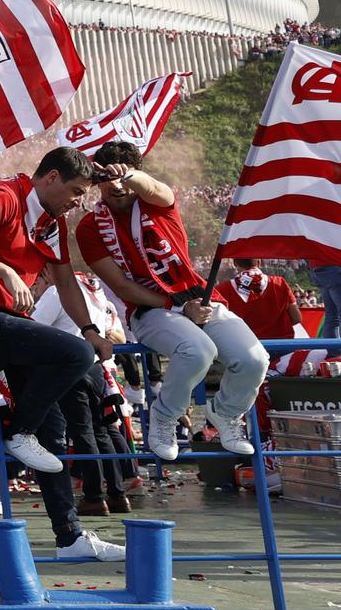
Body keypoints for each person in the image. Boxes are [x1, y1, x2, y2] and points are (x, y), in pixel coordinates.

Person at [0, 146, 123, 562]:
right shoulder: (2, 197)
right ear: (51, 178)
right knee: (76, 357)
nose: (79, 201)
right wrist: (4, 270)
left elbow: (65, 282)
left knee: (54, 431)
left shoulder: (52, 220)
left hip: (9, 325)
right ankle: (19, 433)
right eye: (76, 191)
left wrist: (92, 329)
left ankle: (69, 537)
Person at [72, 141, 264, 464]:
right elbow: (122, 286)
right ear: (98, 181)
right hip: (150, 309)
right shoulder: (89, 227)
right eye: (108, 178)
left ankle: (226, 413)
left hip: (198, 296)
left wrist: (129, 176)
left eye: (124, 178)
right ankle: (163, 417)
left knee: (255, 359)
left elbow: (156, 189)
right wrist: (176, 306)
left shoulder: (157, 203)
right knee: (198, 351)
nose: (116, 187)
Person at [32, 265, 131, 515]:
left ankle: (94, 496)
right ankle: (117, 494)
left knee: (84, 433)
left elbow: (33, 326)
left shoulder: (57, 293)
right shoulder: (92, 291)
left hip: (71, 368)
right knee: (102, 432)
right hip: (96, 366)